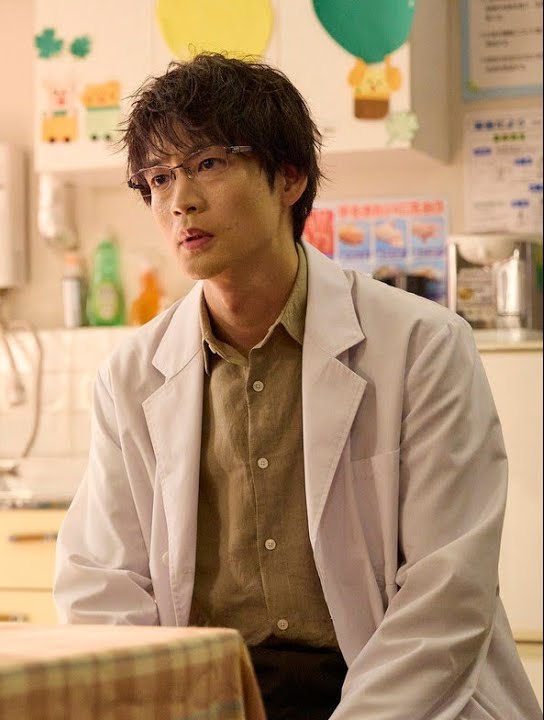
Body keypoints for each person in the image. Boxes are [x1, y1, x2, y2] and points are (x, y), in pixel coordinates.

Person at [53, 53, 540, 719]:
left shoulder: (422, 345)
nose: (180, 200)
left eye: (208, 163)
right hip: (215, 696)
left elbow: (447, 590)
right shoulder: (132, 375)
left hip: (391, 690)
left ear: (289, 177)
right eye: (159, 177)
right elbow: (102, 587)